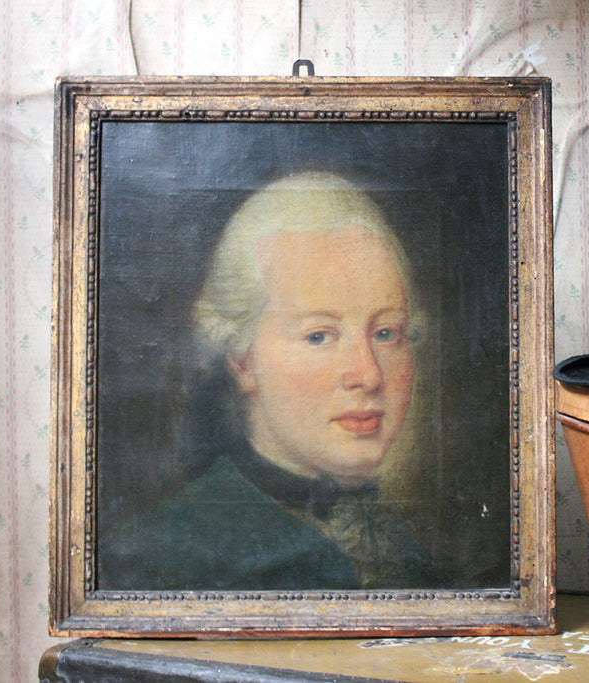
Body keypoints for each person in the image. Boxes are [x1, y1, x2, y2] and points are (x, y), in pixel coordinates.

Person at [99, 171, 442, 591]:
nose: (368, 375)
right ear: (243, 358)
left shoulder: (408, 554)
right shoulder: (157, 555)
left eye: (386, 333)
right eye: (319, 336)